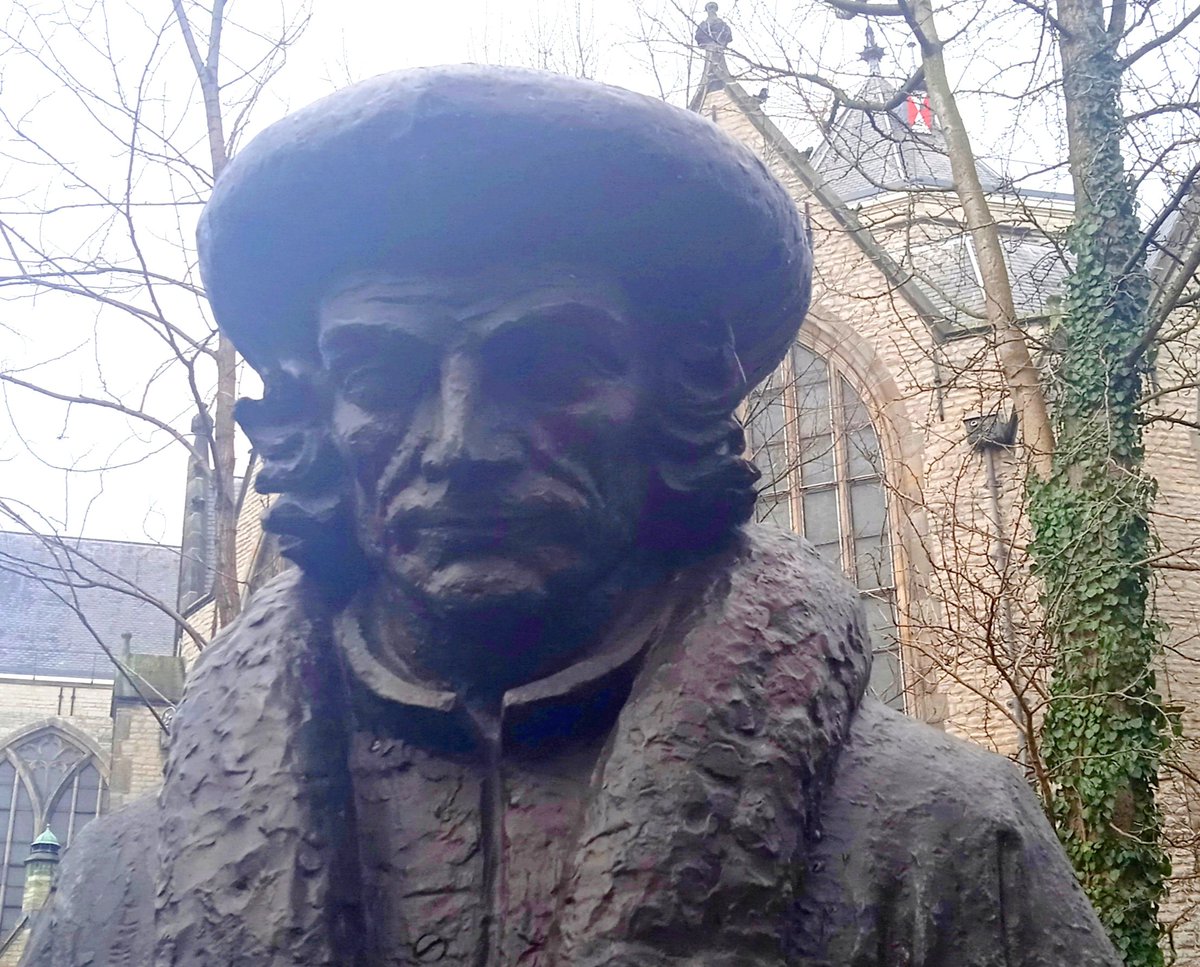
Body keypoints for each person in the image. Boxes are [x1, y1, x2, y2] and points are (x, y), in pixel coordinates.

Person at [23, 66, 1120, 967]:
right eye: (384, 372)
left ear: (677, 400)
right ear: (316, 415)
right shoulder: (124, 892)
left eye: (546, 364)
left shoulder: (940, 844)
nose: (458, 443)